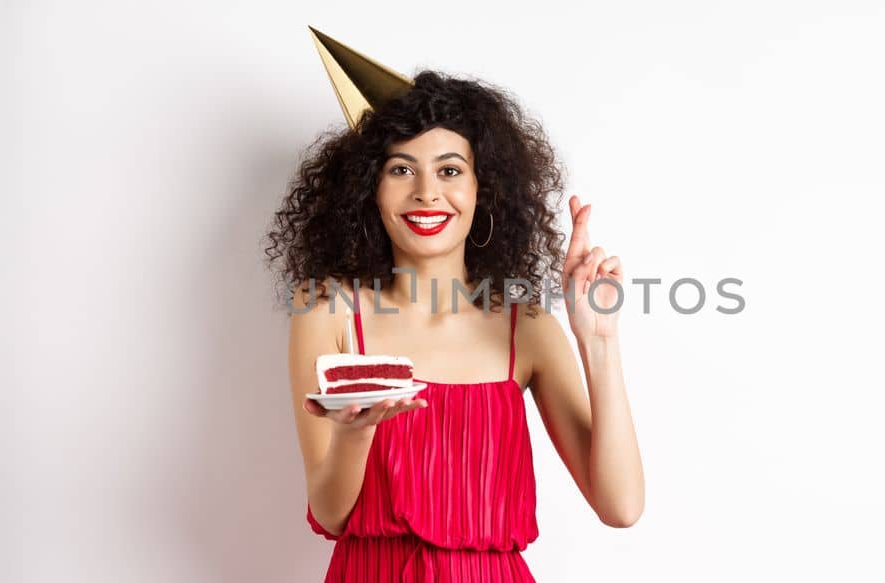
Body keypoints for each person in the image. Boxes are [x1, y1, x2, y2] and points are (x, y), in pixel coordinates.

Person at [266, 41, 643, 581]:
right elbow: (330, 514)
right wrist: (355, 431)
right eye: (400, 169)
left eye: (448, 171)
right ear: (368, 189)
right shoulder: (327, 310)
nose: (425, 193)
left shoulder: (527, 328)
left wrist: (598, 341)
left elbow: (621, 506)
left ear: (481, 189)